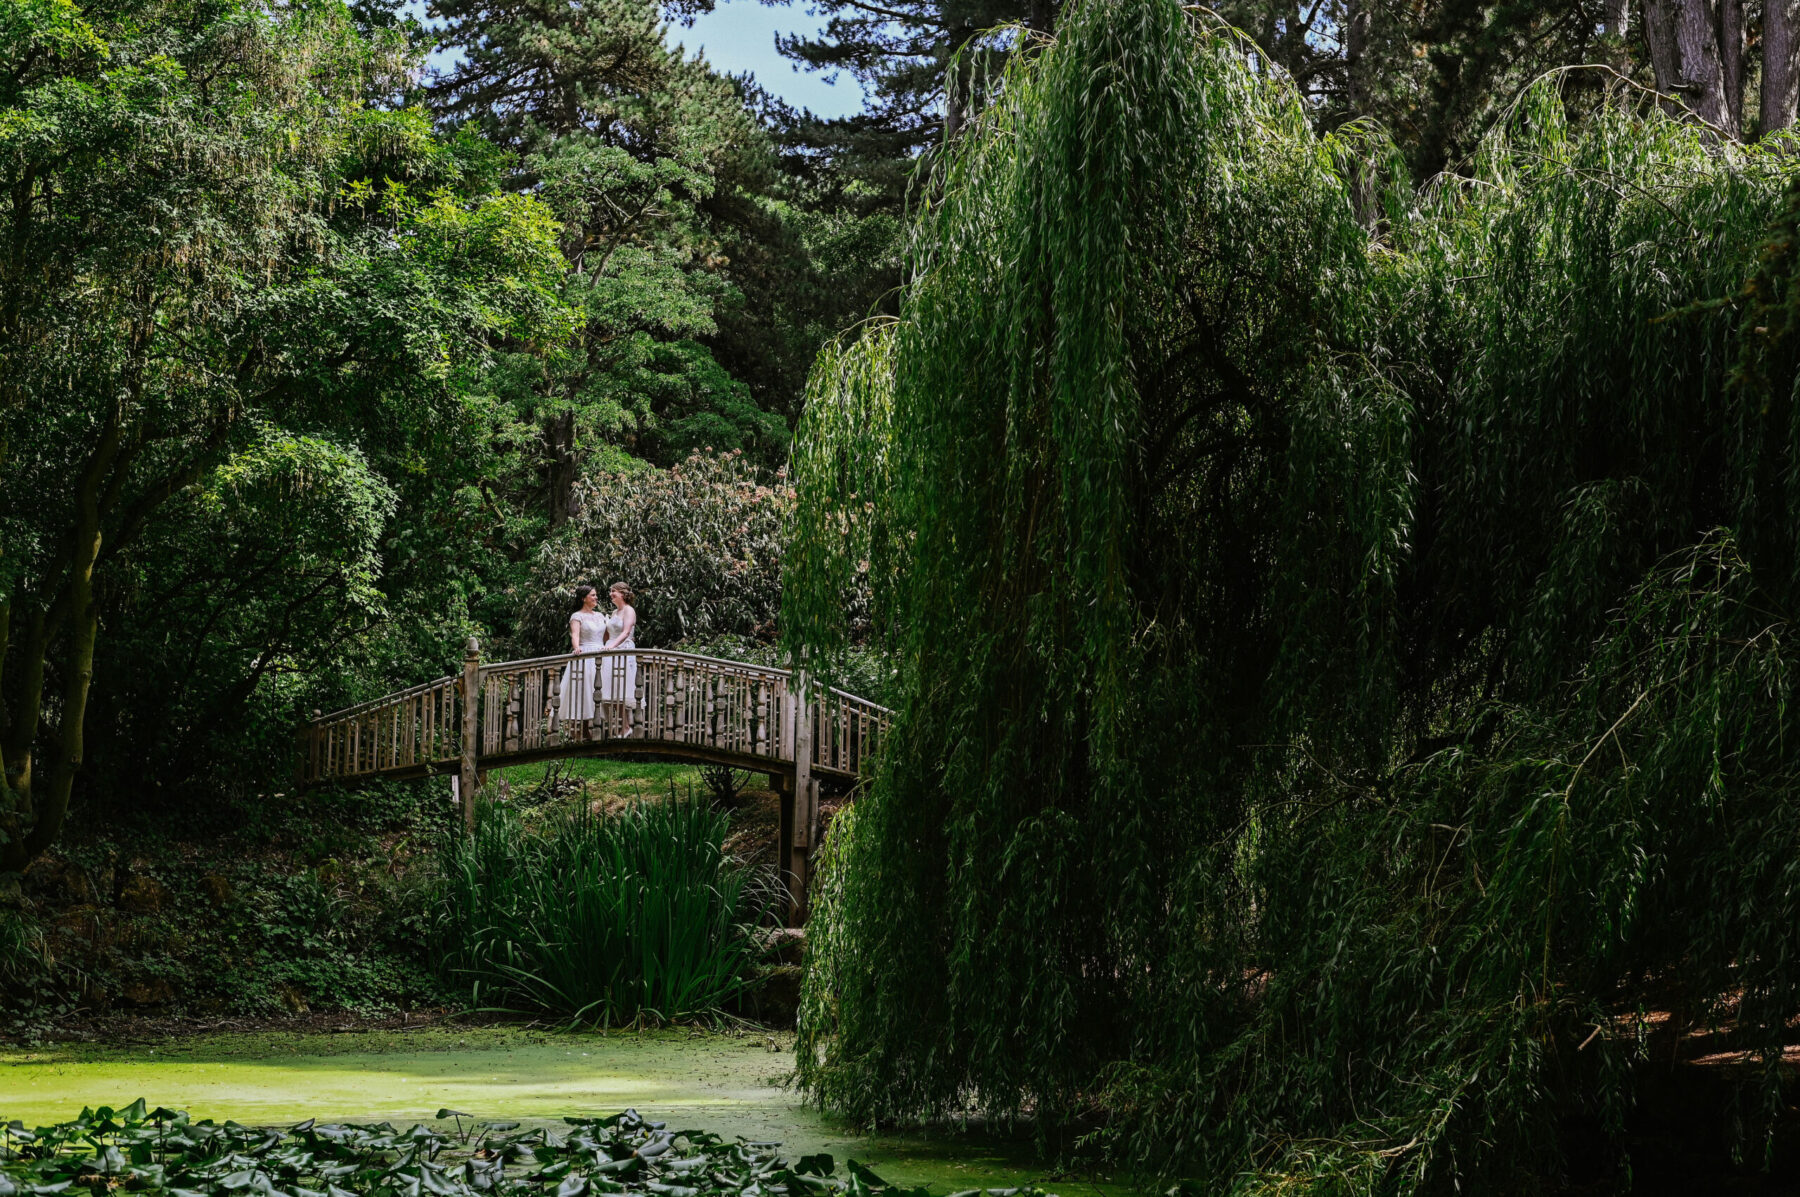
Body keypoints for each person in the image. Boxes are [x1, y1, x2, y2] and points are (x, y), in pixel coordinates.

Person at [558, 585, 607, 731]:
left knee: (600, 688)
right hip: (586, 653)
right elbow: (575, 635)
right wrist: (576, 647)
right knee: (584, 688)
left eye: (596, 595)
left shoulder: (600, 615)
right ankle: (583, 729)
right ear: (583, 598)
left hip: (602, 653)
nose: (596, 597)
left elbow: (606, 636)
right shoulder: (577, 616)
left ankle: (601, 727)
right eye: (592, 595)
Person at [599, 582, 638, 734]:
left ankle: (626, 727)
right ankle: (620, 727)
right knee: (608, 690)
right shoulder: (614, 613)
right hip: (610, 651)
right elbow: (608, 634)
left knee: (620, 688)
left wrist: (612, 646)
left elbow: (626, 632)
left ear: (622, 593)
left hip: (622, 650)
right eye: (610, 591)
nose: (610, 594)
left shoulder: (629, 610)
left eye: (613, 591)